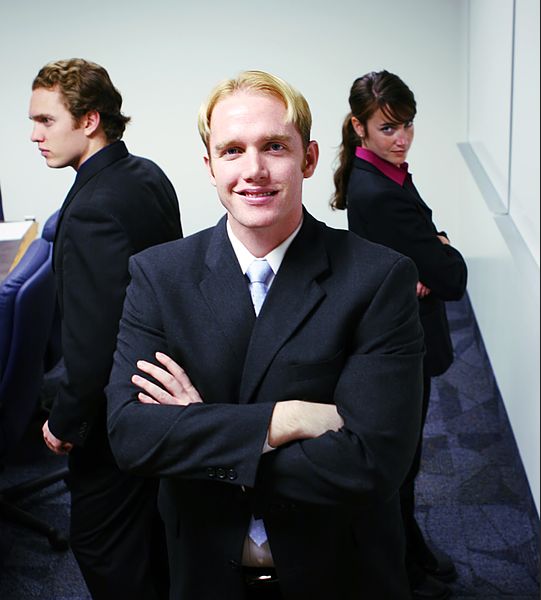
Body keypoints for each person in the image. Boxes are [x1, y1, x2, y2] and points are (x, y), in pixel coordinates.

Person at [106, 70, 425, 600]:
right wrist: (287, 419)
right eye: (232, 150)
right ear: (209, 165)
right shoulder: (159, 275)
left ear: (309, 158)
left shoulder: (378, 278)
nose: (253, 170)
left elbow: (372, 464)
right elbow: (130, 436)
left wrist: (194, 432)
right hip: (204, 566)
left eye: (274, 146)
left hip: (339, 570)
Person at [29, 58, 183, 599]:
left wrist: (67, 421)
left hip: (119, 409)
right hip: (163, 386)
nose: (34, 135)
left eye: (47, 121)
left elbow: (93, 345)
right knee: (149, 538)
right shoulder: (147, 174)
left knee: (99, 544)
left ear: (89, 120)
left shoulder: (94, 207)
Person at [331, 70, 468, 600]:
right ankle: (402, 564)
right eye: (388, 128)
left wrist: (432, 252)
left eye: (407, 125)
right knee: (400, 462)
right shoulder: (378, 190)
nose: (402, 138)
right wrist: (442, 249)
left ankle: (408, 552)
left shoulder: (383, 173)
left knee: (405, 459)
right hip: (401, 343)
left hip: (399, 332)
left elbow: (428, 264)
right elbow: (453, 278)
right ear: (359, 127)